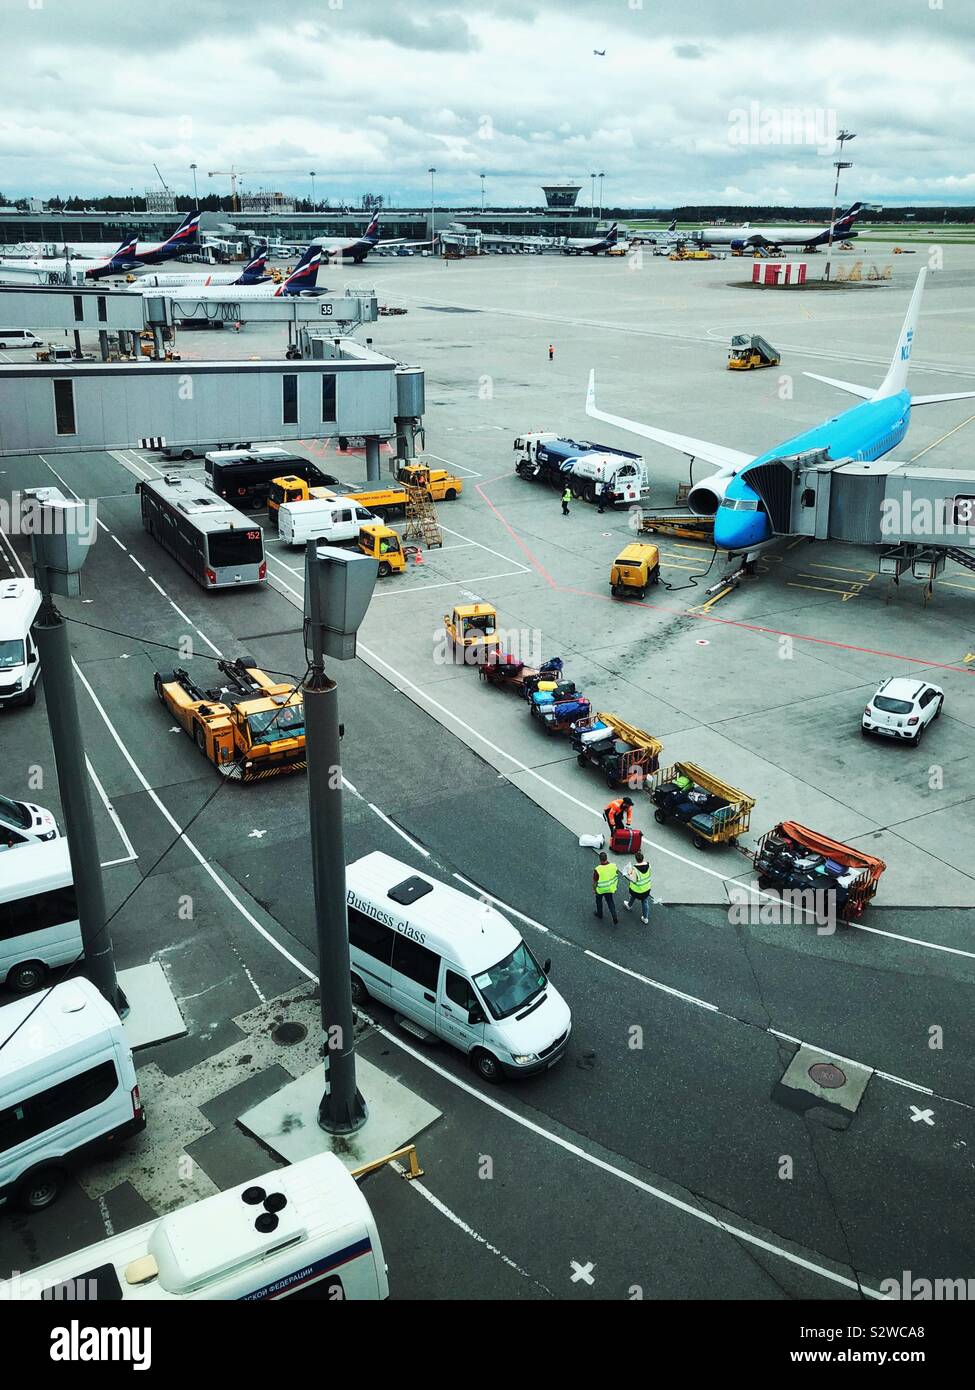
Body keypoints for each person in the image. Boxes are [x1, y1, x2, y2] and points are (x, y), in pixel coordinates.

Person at [623, 855, 652, 924]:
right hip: (646, 889)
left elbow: (634, 880)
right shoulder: (649, 865)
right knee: (644, 901)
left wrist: (629, 872)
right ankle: (645, 918)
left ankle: (629, 905)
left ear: (636, 859)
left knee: (633, 896)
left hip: (636, 890)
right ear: (643, 858)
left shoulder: (635, 869)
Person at [592, 852, 619, 925]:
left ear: (600, 859)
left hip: (600, 889)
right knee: (610, 902)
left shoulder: (598, 869)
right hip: (609, 888)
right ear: (607, 858)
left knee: (599, 901)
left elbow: (594, 881)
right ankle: (614, 916)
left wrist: (594, 890)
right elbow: (616, 874)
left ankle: (600, 914)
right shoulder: (613, 866)